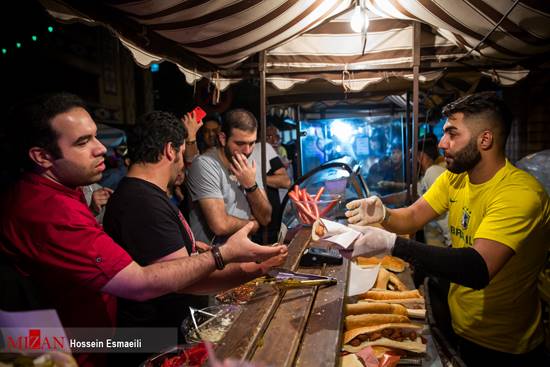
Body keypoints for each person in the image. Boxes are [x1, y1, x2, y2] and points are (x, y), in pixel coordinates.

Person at [0, 93, 287, 367]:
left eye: (96, 136)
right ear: (41, 157)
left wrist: (239, 263)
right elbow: (140, 282)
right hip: (88, 347)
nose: (100, 148)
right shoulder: (50, 210)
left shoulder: (63, 192)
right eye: (82, 142)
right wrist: (224, 255)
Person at [344, 92, 550, 366]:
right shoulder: (456, 179)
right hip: (460, 324)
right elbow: (413, 216)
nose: (442, 144)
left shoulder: (519, 193)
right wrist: (384, 213)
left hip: (506, 344)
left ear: (484, 139)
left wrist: (393, 244)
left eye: (452, 134)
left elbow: (478, 268)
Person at [103, 111, 287, 365]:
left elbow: (169, 264)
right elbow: (183, 280)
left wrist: (190, 248)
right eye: (181, 152)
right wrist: (255, 267)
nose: (183, 164)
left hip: (163, 332)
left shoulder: (146, 196)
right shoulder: (142, 203)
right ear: (171, 150)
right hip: (153, 340)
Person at [187, 109, 272, 244]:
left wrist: (251, 186)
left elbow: (266, 217)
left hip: (244, 256)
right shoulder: (205, 165)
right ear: (223, 138)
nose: (247, 151)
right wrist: (252, 225)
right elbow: (220, 225)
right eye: (240, 144)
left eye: (251, 143)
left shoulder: (247, 164)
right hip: (215, 259)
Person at [250, 141, 291, 243]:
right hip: (249, 227)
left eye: (275, 137)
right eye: (268, 136)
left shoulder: (264, 148)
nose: (272, 139)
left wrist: (253, 179)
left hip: (271, 226)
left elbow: (285, 181)